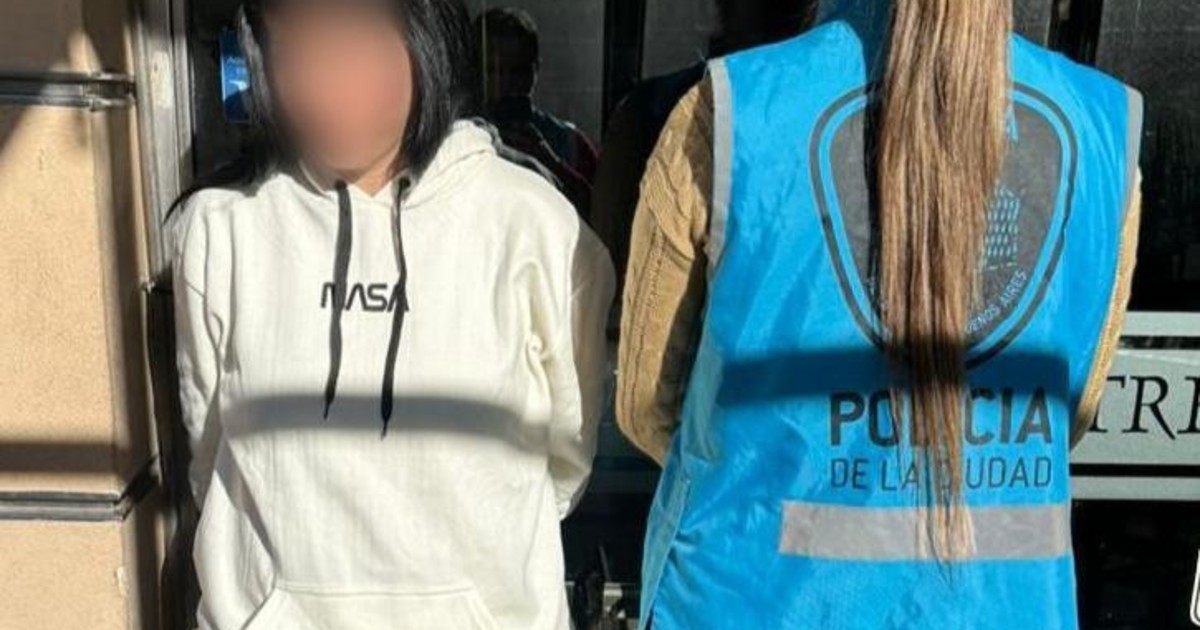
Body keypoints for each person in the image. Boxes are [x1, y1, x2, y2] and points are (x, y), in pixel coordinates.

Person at [617, 0, 1142, 628]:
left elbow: (646, 405)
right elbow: (1072, 408)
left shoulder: (731, 113)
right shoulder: (1104, 128)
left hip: (751, 600)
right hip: (1005, 609)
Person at [169, 1, 615, 628]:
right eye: (295, 49)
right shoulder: (221, 229)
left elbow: (567, 454)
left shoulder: (534, 226)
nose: (325, 81)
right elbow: (210, 442)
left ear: (424, 35)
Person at [474, 7, 598, 216]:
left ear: (536, 71)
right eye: (494, 71)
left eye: (519, 72)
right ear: (474, 73)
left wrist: (549, 162)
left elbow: (600, 215)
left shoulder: (571, 145)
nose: (508, 84)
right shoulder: (452, 141)